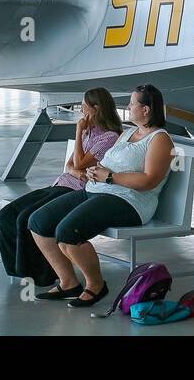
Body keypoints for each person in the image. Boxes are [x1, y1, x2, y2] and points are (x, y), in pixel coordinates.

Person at [28, 84, 174, 309]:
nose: (129, 106)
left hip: (130, 202)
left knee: (68, 233)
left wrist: (110, 177)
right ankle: (69, 283)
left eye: (132, 103)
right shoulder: (127, 133)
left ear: (145, 109)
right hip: (97, 190)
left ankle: (96, 285)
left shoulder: (159, 139)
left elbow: (149, 180)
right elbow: (107, 163)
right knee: (38, 221)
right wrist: (95, 172)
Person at [0, 89, 123, 286]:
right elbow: (71, 166)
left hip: (76, 190)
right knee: (7, 214)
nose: (81, 110)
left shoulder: (108, 138)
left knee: (26, 218)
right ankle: (18, 269)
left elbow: (78, 163)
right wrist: (76, 170)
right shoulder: (89, 132)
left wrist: (78, 132)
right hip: (62, 182)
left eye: (84, 106)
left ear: (96, 108)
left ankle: (40, 275)